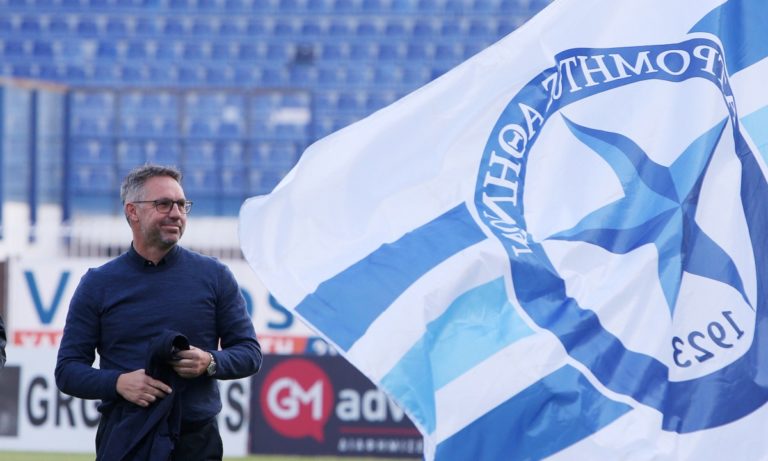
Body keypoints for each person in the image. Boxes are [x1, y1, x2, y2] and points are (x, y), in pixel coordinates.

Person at [55, 164, 262, 460]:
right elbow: (68, 371)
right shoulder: (98, 284)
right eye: (163, 204)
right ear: (132, 211)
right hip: (126, 437)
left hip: (196, 441)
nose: (176, 213)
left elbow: (250, 353)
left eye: (181, 204)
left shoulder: (214, 276)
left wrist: (210, 361)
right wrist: (118, 383)